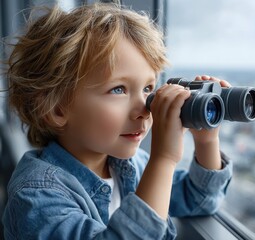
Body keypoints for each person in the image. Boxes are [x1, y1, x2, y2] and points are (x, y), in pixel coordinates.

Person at [2, 3, 232, 239]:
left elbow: (198, 200)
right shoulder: (37, 196)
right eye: (118, 89)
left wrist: (206, 141)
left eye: (148, 88)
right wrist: (163, 159)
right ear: (57, 109)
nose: (144, 108)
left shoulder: (134, 165)